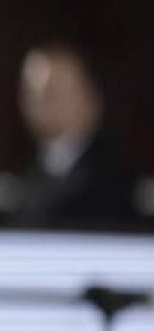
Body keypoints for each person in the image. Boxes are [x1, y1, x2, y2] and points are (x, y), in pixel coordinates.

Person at [13, 42, 140, 230]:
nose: (37, 102)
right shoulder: (35, 168)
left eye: (51, 92)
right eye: (30, 91)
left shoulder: (108, 178)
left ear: (91, 98)